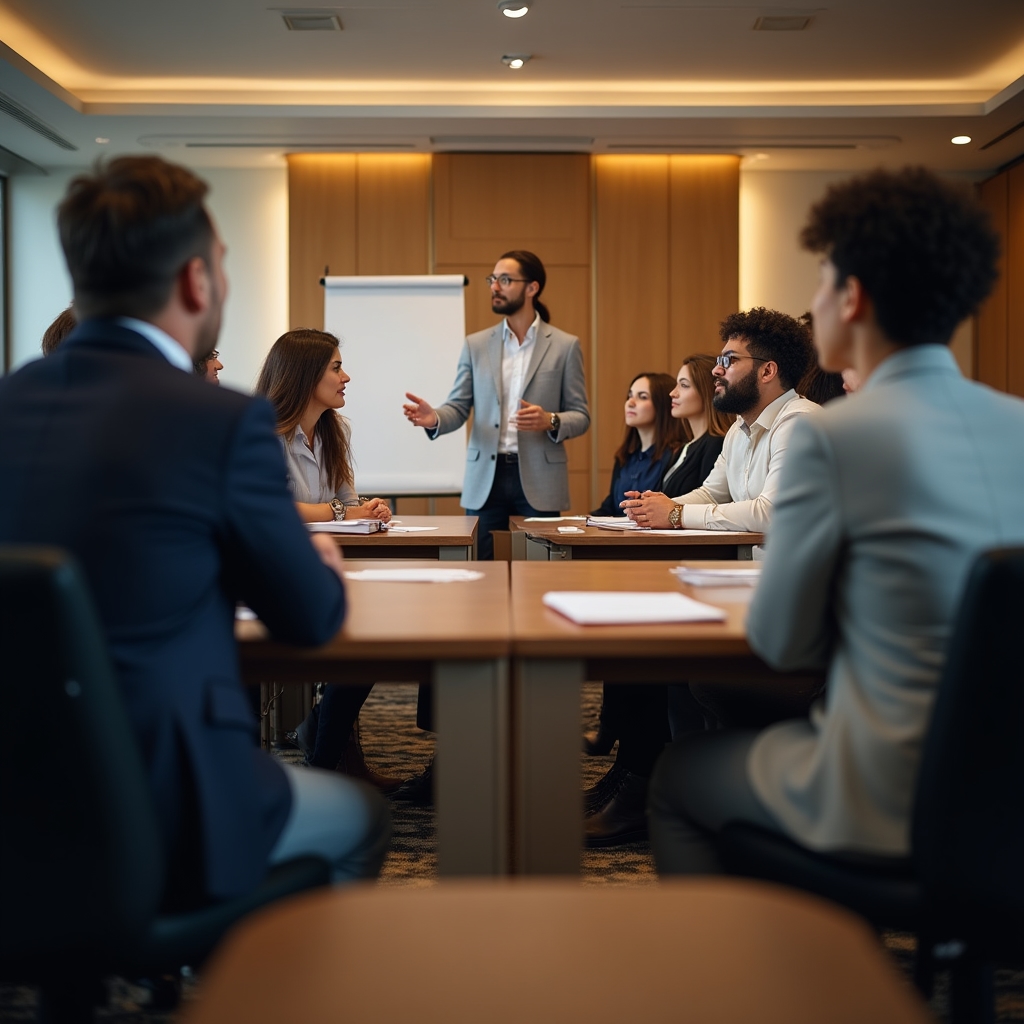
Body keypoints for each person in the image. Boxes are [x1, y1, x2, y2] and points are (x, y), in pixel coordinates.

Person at [0, 156, 389, 906]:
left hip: (17, 788)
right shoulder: (217, 421)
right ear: (194, 282)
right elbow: (310, 620)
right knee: (361, 818)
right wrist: (325, 565)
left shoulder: (9, 405)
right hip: (162, 790)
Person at [648, 166, 1024, 876]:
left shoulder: (830, 439)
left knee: (681, 772)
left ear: (852, 298)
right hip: (1006, 791)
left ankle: (756, 970)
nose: (812, 306)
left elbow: (783, 640)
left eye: (820, 283)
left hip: (885, 792)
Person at [583, 356, 732, 846]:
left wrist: (666, 513)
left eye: (683, 385)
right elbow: (699, 498)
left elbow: (728, 509)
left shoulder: (721, 441)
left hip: (712, 578)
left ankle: (635, 788)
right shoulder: (704, 446)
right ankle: (628, 778)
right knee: (631, 640)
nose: (673, 394)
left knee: (645, 649)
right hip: (687, 572)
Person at [254, 328, 403, 793]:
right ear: (304, 375)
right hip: (273, 573)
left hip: (327, 567)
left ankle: (320, 745)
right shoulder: (261, 432)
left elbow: (347, 502)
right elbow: (270, 508)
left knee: (379, 635)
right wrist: (345, 512)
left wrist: (369, 512)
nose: (347, 377)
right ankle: (323, 764)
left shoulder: (337, 430)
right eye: (336, 368)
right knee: (359, 638)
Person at [403, 250, 590, 561]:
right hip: (486, 477)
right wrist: (435, 417)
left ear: (532, 287)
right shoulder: (476, 344)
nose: (495, 287)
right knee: (482, 565)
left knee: (541, 567)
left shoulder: (564, 345)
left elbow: (581, 415)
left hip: (539, 478)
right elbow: (459, 406)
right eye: (493, 280)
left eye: (505, 280)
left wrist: (551, 420)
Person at [621, 308, 817, 535]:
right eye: (718, 360)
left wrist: (676, 514)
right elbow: (711, 494)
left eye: (729, 360)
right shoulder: (737, 430)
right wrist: (654, 507)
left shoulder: (800, 423)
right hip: (745, 565)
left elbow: (772, 513)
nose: (716, 370)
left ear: (767, 371)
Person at [590, 372, 683, 518]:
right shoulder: (624, 456)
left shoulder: (676, 455)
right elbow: (610, 507)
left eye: (642, 397)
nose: (630, 403)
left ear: (663, 405)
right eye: (630, 396)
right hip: (619, 537)